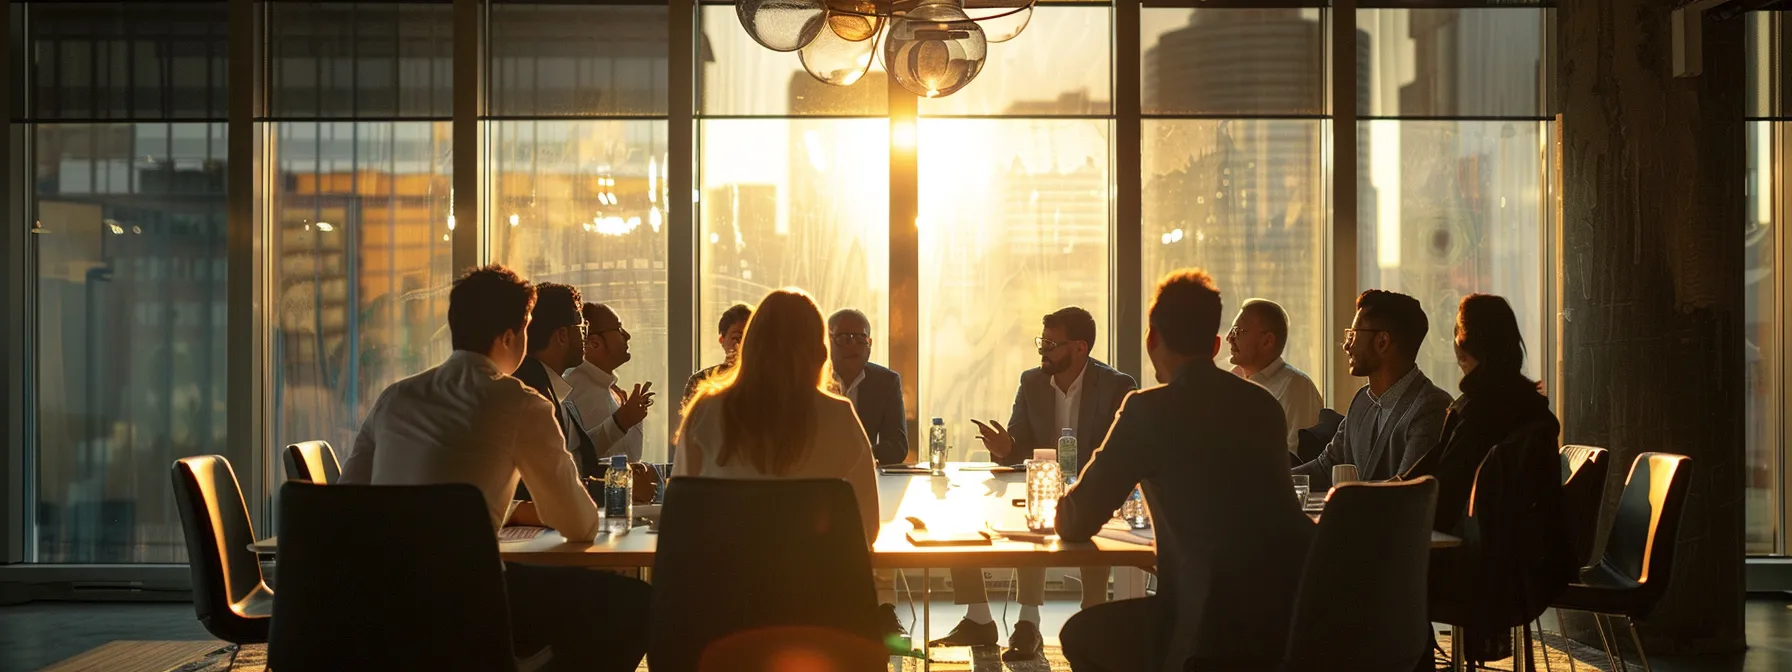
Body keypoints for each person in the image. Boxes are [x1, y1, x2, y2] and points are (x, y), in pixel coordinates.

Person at [339, 265, 649, 672]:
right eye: (524, 329)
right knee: (634, 605)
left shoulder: (395, 397)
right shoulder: (522, 403)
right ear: (509, 337)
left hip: (378, 612)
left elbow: (346, 501)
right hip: (471, 609)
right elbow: (579, 524)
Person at [1055, 269, 1311, 672]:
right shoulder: (1263, 406)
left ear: (1151, 339)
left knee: (1080, 636)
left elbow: (1076, 520)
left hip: (1201, 630)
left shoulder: (1147, 411)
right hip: (1287, 621)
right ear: (1213, 345)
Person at [674, 289, 891, 644]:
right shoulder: (839, 418)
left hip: (722, 618)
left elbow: (683, 518)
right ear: (821, 352)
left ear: (750, 345)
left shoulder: (705, 412)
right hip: (817, 618)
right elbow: (866, 530)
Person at [934, 307, 1138, 662]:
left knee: (1087, 511)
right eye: (1041, 341)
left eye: (1050, 343)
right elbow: (1020, 441)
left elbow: (1119, 452)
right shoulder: (1031, 381)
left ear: (1079, 347)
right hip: (1039, 484)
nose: (1042, 350)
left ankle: (1091, 620)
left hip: (1094, 484)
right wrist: (1006, 448)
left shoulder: (1117, 385)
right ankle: (1026, 623)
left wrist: (1078, 481)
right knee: (1002, 515)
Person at [1401, 294, 1560, 532]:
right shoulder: (1534, 409)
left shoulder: (1476, 413)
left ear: (1464, 346)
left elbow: (1441, 495)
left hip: (1464, 556)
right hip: (1512, 557)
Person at [1292, 290, 1452, 489]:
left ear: (1382, 342)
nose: (1346, 345)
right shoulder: (1362, 401)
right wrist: (1267, 481)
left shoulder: (1432, 407)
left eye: (1353, 335)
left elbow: (1407, 490)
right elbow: (1327, 466)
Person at [511, 283, 602, 486]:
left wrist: (620, 473)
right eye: (582, 327)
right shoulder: (531, 395)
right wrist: (615, 487)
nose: (586, 336)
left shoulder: (553, 388)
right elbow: (548, 482)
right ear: (562, 335)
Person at [1227, 298, 1324, 455]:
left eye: (1238, 331)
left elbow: (1298, 460)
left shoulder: (1296, 388)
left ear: (1267, 341)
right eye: (1232, 331)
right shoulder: (1231, 382)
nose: (1229, 338)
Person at [564, 302, 656, 462]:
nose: (627, 335)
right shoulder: (571, 391)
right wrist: (622, 420)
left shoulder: (612, 391)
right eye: (618, 329)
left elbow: (630, 459)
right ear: (594, 342)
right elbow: (574, 459)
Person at [828, 308, 909, 466]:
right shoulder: (812, 379)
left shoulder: (886, 382)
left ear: (869, 343)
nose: (853, 345)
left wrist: (859, 455)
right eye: (844, 338)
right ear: (827, 341)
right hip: (818, 474)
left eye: (860, 338)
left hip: (865, 472)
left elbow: (898, 446)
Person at [683, 303, 752, 403]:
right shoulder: (701, 380)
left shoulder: (766, 379)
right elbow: (691, 416)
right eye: (737, 338)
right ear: (722, 339)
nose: (742, 345)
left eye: (749, 337)